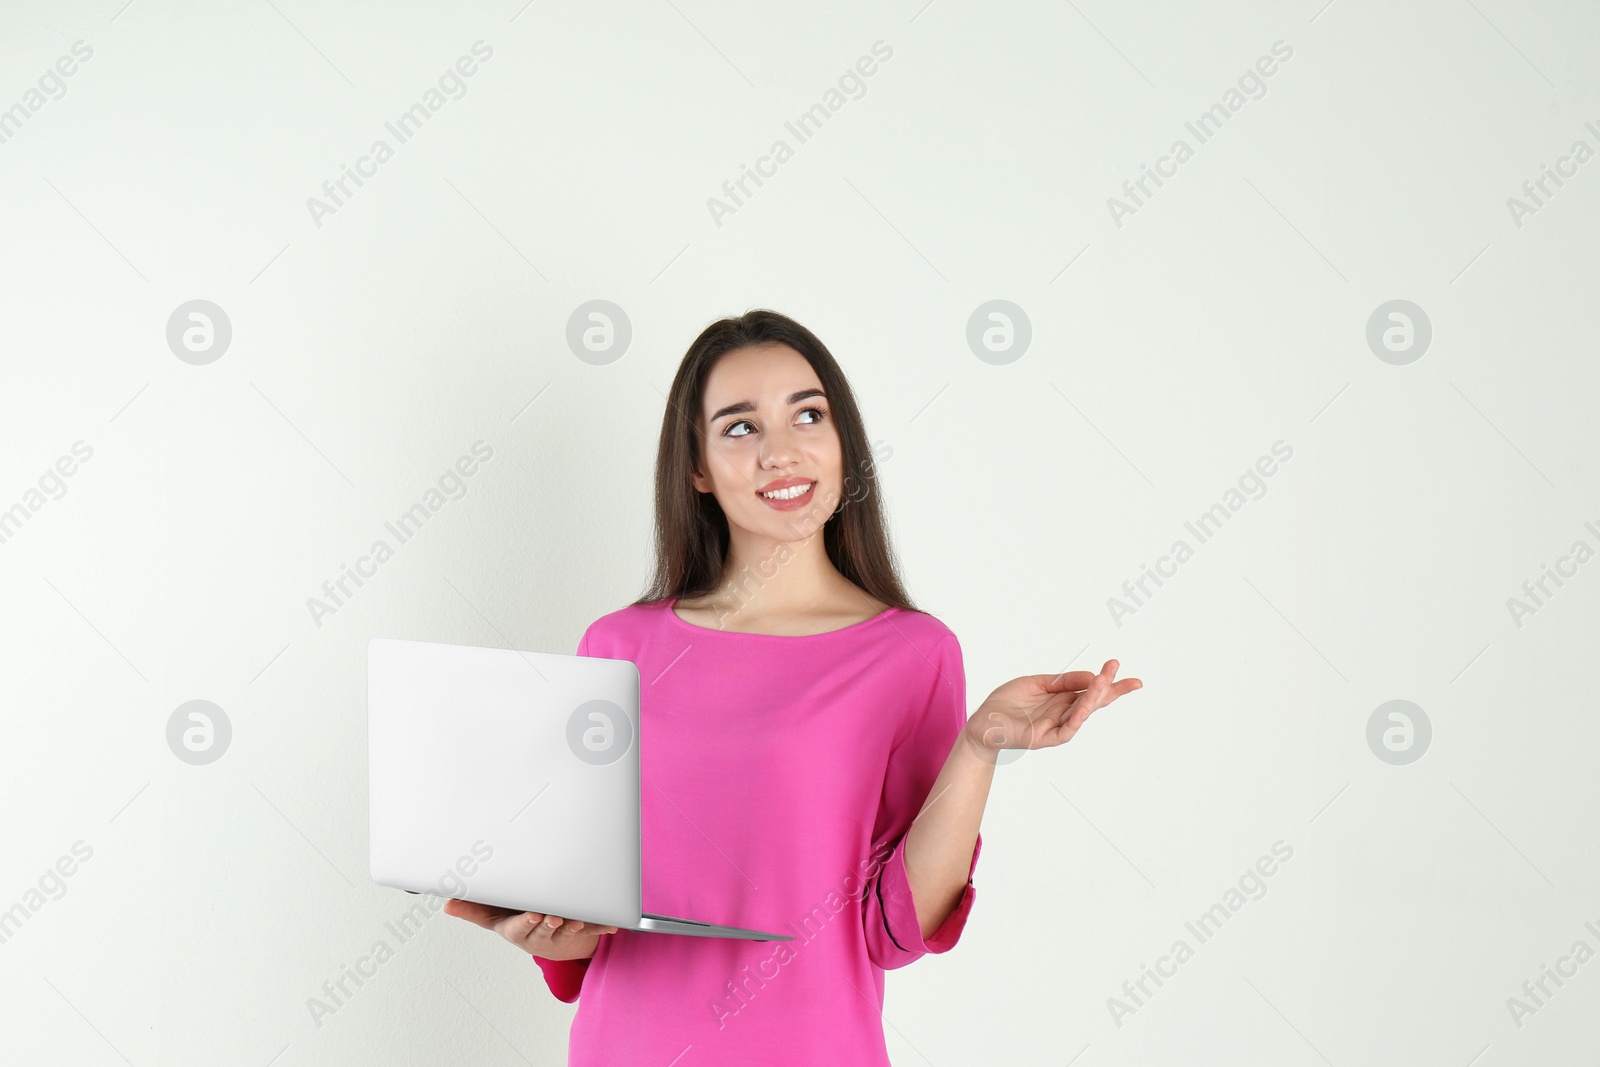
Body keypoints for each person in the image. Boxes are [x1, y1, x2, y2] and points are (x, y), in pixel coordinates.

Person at [444, 309, 1142, 1064]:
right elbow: (577, 918)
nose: (782, 451)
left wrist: (978, 748)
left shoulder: (911, 654)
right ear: (697, 468)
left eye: (808, 415)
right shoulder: (616, 647)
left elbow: (897, 928)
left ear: (842, 443)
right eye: (741, 428)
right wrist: (549, 933)